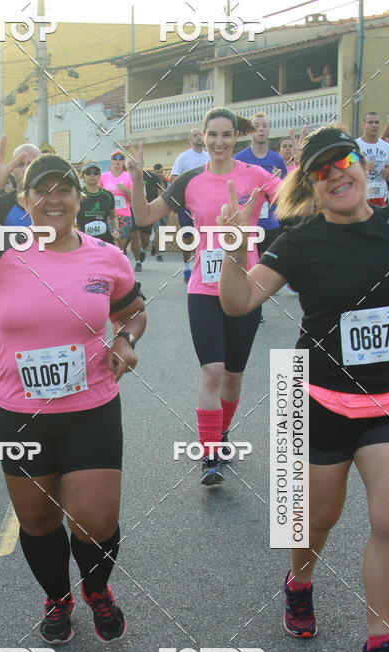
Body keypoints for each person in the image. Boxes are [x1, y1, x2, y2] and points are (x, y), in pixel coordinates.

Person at [0, 144, 147, 645]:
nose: (53, 199)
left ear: (79, 198)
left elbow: (132, 312)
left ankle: (96, 589)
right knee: (39, 521)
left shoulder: (106, 257)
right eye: (41, 191)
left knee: (97, 521)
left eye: (63, 189)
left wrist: (126, 339)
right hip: (20, 412)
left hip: (92, 406)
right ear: (25, 199)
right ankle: (57, 598)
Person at [218, 124, 389, 652]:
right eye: (319, 172)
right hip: (320, 397)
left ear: (363, 165)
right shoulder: (299, 240)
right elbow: (239, 302)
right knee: (317, 518)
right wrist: (232, 252)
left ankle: (380, 640)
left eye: (341, 162)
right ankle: (300, 581)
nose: (334, 175)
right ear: (312, 186)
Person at [129, 107, 282, 486]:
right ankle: (210, 455)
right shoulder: (189, 181)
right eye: (212, 135)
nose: (218, 142)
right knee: (212, 372)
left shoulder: (256, 176)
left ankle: (222, 432)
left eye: (226, 135)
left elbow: (294, 203)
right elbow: (145, 216)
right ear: (203, 136)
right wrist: (136, 179)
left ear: (236, 138)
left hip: (245, 289)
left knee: (233, 377)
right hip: (203, 288)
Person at [170, 128, 211, 283]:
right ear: (190, 140)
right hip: (187, 204)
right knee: (188, 237)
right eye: (194, 135)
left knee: (205, 235)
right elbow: (174, 177)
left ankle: (203, 268)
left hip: (207, 202)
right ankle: (187, 266)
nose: (198, 136)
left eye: (200, 134)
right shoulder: (183, 158)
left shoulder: (209, 156)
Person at [0, 144, 41, 225]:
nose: (26, 169)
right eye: (20, 164)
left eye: (31, 164)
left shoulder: (55, 204)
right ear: (12, 170)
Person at [99, 151, 140, 269]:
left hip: (124, 215)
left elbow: (135, 197)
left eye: (120, 159)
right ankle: (112, 268)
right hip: (110, 216)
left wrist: (125, 190)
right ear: (111, 161)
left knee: (120, 245)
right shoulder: (104, 176)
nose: (117, 161)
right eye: (114, 159)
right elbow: (99, 193)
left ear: (123, 162)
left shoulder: (128, 176)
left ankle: (120, 269)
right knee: (112, 243)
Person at [356, 112, 389, 206]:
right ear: (363, 125)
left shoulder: (386, 147)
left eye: (376, 122)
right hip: (361, 200)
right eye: (370, 122)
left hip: (381, 200)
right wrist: (364, 168)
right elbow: (347, 170)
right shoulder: (356, 146)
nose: (374, 125)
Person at [77, 160, 119, 244]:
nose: (92, 175)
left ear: (99, 176)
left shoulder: (108, 195)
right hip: (84, 241)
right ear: (83, 176)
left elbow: (113, 217)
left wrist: (115, 230)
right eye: (88, 173)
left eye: (95, 173)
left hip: (104, 240)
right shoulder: (77, 195)